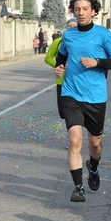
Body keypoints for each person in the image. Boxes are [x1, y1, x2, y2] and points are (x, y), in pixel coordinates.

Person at [54, 0, 111, 202]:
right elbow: (62, 56)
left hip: (95, 96)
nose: (81, 12)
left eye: (85, 9)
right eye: (77, 9)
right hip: (71, 93)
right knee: (74, 140)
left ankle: (93, 167)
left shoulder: (104, 35)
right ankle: (78, 187)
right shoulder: (68, 35)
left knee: (95, 144)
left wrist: (98, 63)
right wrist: (60, 68)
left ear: (94, 11)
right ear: (73, 11)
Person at [45, 17, 78, 149]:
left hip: (79, 82)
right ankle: (71, 137)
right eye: (69, 26)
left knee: (79, 112)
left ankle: (75, 138)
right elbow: (48, 58)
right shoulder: (58, 42)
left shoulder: (83, 42)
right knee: (65, 113)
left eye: (74, 25)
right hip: (62, 82)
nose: (71, 28)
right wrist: (59, 66)